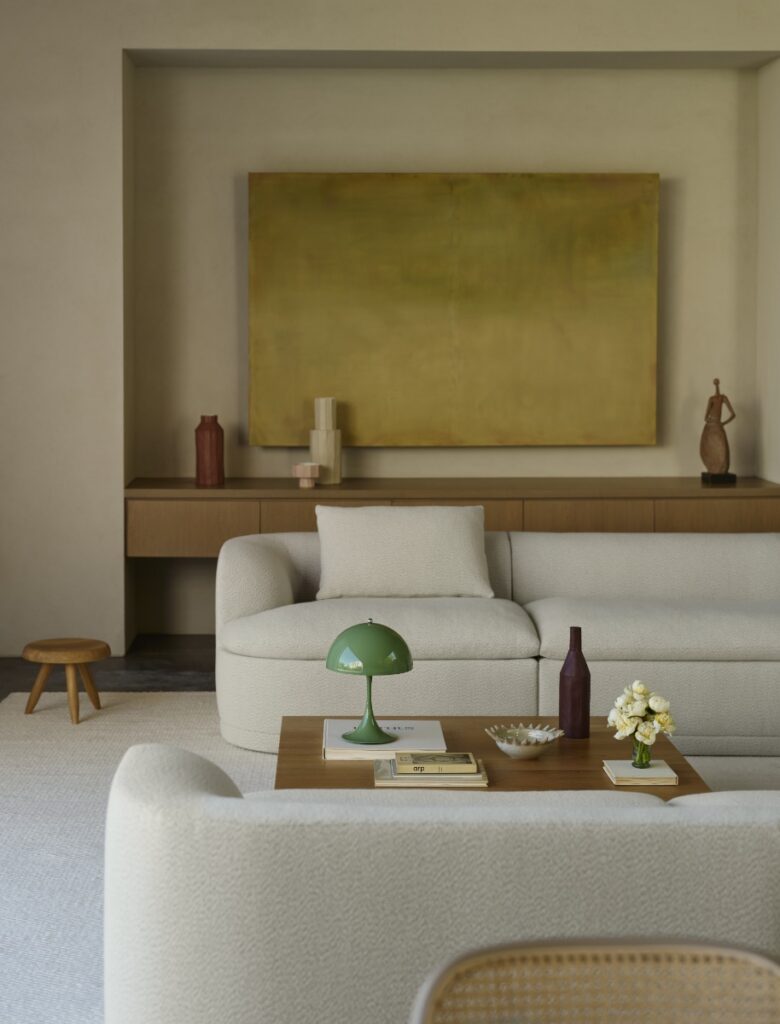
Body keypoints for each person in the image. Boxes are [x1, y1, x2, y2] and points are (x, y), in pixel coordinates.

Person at [699, 378, 736, 475]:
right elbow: (706, 417)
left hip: (715, 425)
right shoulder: (712, 399)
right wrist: (715, 422)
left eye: (716, 383)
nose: (716, 384)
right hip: (711, 426)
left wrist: (723, 423)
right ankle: (713, 467)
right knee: (709, 448)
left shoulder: (723, 398)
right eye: (715, 383)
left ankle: (720, 469)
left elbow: (733, 414)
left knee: (722, 450)